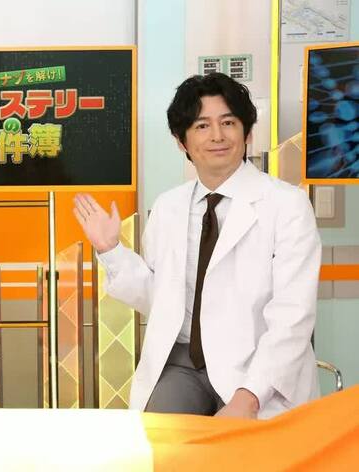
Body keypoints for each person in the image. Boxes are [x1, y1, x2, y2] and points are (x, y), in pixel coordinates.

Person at [74, 73, 321, 419]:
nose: (217, 136)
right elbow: (160, 299)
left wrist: (248, 398)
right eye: (202, 126)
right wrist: (111, 250)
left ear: (247, 133)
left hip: (256, 366)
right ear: (182, 141)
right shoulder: (168, 207)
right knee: (163, 440)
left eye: (228, 123)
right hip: (183, 363)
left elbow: (293, 315)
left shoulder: (287, 205)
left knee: (243, 447)